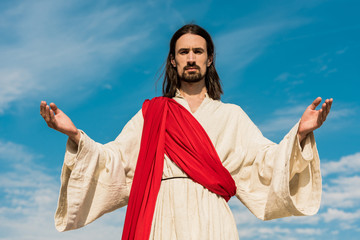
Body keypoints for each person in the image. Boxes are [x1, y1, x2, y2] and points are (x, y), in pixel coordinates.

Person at [40, 24, 333, 240]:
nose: (191, 57)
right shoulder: (152, 115)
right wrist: (77, 135)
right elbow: (115, 160)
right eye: (183, 52)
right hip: (162, 215)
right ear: (173, 60)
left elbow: (266, 163)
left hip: (213, 219)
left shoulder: (231, 116)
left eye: (198, 51)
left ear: (209, 59)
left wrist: (300, 134)